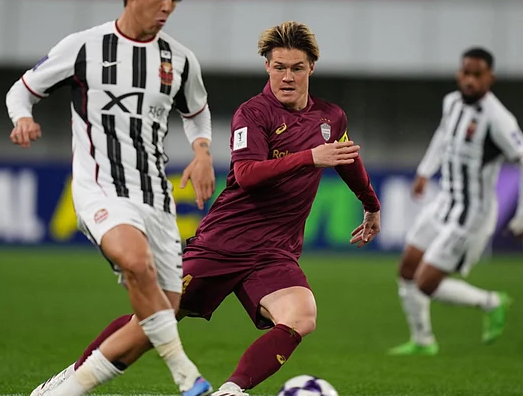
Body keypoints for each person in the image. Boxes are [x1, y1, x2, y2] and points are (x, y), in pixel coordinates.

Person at [29, 21, 381, 396]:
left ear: (312, 67)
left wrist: (371, 205)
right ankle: (69, 380)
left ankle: (230, 391)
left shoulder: (330, 117)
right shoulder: (253, 114)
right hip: (223, 243)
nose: (287, 76)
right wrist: (309, 157)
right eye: (279, 67)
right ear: (267, 66)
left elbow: (345, 158)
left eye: (296, 68)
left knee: (301, 315)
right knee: (154, 318)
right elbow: (246, 175)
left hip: (274, 252)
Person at [4, 0, 215, 395]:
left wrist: (203, 152)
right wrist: (22, 116)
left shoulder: (180, 59)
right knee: (136, 263)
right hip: (100, 188)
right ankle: (185, 375)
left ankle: (64, 391)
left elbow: (196, 113)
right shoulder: (83, 46)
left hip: (156, 197)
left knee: (162, 315)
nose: (169, 6)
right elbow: (21, 90)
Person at [388, 47, 523, 356]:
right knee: (406, 269)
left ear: (490, 78)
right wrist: (424, 171)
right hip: (444, 202)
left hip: (472, 215)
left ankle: (492, 303)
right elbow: (443, 136)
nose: (469, 80)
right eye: (465, 73)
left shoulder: (498, 119)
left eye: (477, 75)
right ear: (459, 73)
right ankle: (423, 341)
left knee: (425, 283)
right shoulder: (452, 102)